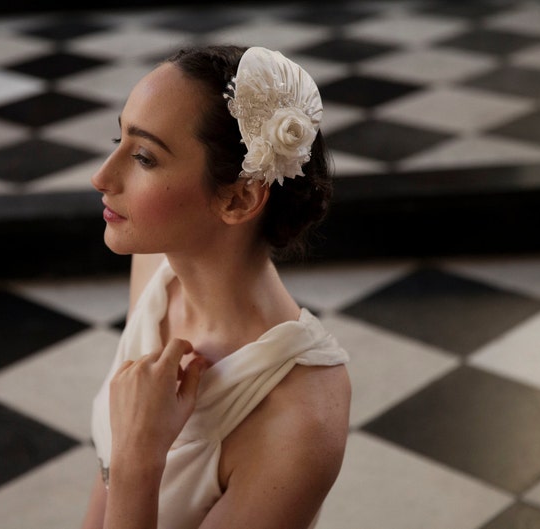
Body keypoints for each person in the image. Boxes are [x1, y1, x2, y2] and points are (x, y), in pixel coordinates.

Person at [80, 44, 351, 529]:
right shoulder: (155, 265)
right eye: (116, 138)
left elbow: (119, 475)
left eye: (143, 157)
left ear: (240, 198)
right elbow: (104, 485)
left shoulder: (301, 414)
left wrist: (138, 464)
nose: (101, 176)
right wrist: (122, 465)